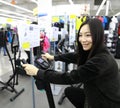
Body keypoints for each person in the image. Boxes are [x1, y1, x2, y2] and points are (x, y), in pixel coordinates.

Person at [22, 18, 120, 108]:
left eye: (88, 35)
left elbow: (69, 77)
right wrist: (54, 57)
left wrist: (37, 72)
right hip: (96, 91)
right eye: (81, 35)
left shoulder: (101, 60)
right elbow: (76, 56)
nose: (83, 39)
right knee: (70, 91)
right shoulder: (96, 51)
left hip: (107, 102)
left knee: (71, 91)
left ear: (97, 36)